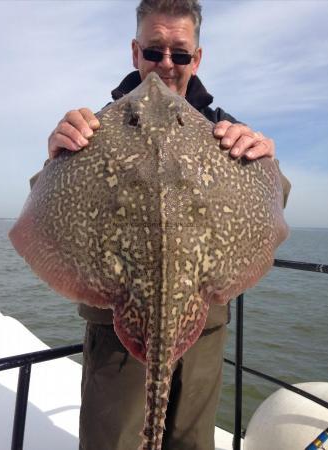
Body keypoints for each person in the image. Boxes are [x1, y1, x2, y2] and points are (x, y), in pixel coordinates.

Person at [44, 1, 290, 449]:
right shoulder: (94, 127)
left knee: (191, 442)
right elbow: (43, 204)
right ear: (135, 52)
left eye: (179, 54)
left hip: (203, 329)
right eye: (154, 51)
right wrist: (57, 155)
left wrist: (266, 161)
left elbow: (276, 202)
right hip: (117, 328)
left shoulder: (223, 131)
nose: (164, 67)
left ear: (196, 59)